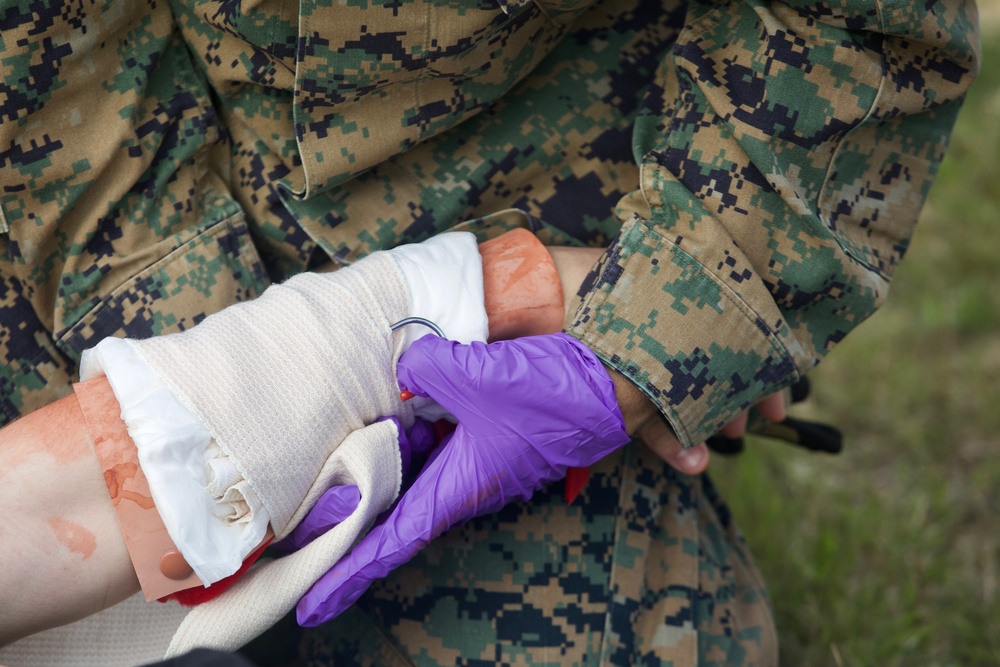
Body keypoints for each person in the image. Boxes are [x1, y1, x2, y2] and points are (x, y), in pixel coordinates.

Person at [0, 0, 979, 663]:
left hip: (530, 251)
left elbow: (861, 29)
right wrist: (245, 401)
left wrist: (669, 322)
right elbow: (49, 70)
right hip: (91, 241)